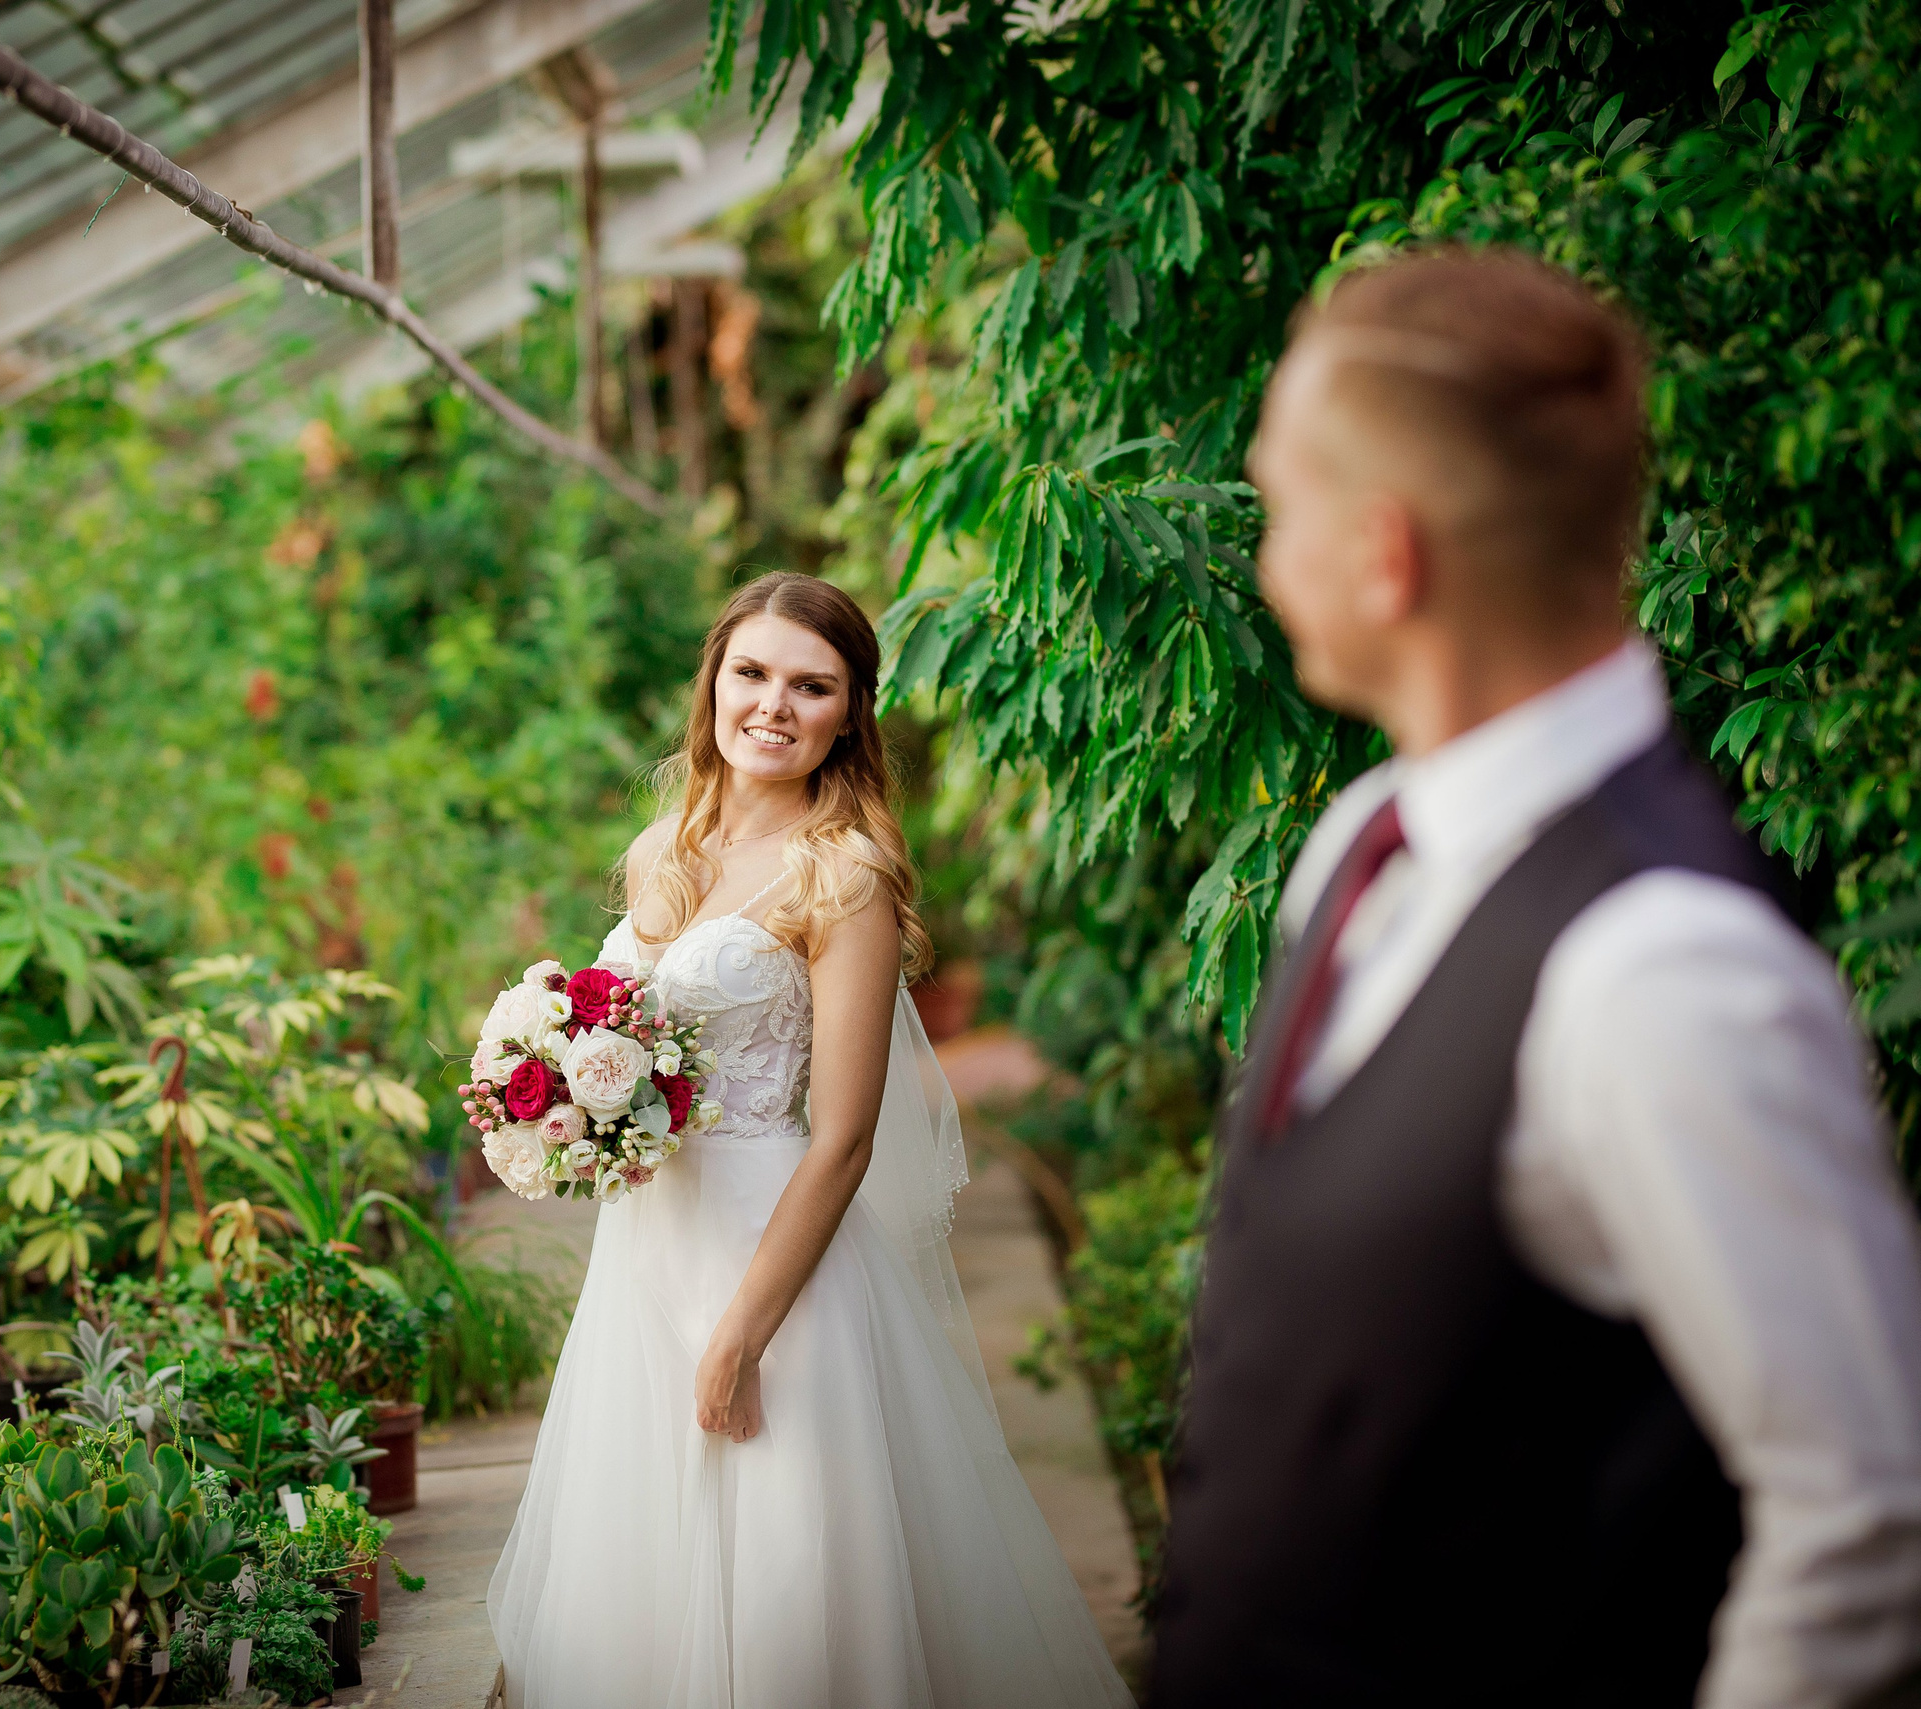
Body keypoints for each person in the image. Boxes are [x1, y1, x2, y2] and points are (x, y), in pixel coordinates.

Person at [1152, 246, 1921, 1707]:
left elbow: (1869, 1508)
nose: (1266, 556)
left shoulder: (1662, 967)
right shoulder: (1361, 843)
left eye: (1278, 506)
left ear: (1385, 555)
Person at [487, 571, 1134, 1709]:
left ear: (849, 710)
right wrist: (562, 1115)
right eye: (751, 673)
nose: (773, 705)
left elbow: (840, 1140)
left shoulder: (844, 875)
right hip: (645, 1258)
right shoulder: (659, 854)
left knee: (793, 1595)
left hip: (773, 1261)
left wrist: (743, 1332)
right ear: (714, 683)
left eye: (811, 685)